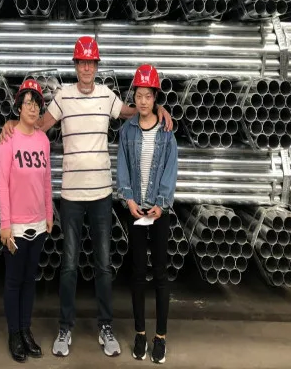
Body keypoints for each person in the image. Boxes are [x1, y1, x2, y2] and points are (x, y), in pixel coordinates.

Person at [1, 37, 172, 358]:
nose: (86, 68)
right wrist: (13, 121)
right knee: (69, 265)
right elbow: (39, 125)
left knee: (103, 265)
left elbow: (132, 112)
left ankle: (106, 327)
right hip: (71, 196)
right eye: (81, 62)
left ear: (96, 66)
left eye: (91, 63)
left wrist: (158, 107)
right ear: (76, 65)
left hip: (101, 195)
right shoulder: (63, 97)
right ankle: (65, 328)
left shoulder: (107, 96)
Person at [116, 64, 178, 365]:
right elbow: (122, 166)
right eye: (138, 95)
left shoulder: (166, 132)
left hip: (158, 211)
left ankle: (160, 337)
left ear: (155, 98)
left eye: (148, 96)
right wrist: (129, 200)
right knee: (138, 272)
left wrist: (162, 204)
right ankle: (140, 333)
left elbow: (170, 168)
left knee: (161, 274)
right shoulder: (127, 131)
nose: (142, 101)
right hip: (137, 210)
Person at [0, 79, 53, 363]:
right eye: (27, 103)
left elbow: (46, 180)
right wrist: (5, 223)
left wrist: (49, 214)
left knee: (30, 280)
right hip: (16, 226)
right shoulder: (8, 140)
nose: (32, 108)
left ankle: (26, 329)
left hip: (38, 223)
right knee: (14, 281)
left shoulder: (43, 141)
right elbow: (3, 184)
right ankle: (14, 334)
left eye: (36, 104)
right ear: (18, 107)